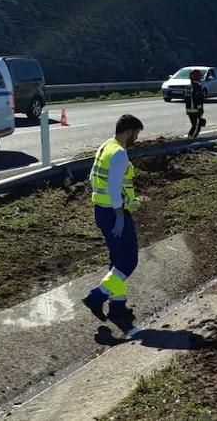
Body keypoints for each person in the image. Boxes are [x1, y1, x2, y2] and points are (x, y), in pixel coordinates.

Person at [81, 114, 144, 332]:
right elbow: (114, 185)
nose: (137, 138)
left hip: (101, 210)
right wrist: (119, 214)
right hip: (114, 213)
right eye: (136, 133)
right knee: (129, 261)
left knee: (117, 260)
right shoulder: (119, 153)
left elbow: (92, 178)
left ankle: (117, 306)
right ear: (129, 132)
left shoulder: (106, 146)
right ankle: (96, 297)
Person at [185, 69, 206, 138]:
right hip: (195, 110)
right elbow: (198, 100)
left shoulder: (188, 87)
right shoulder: (197, 87)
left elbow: (186, 99)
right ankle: (191, 140)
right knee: (196, 127)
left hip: (189, 110)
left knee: (194, 125)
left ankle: (190, 139)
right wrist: (200, 109)